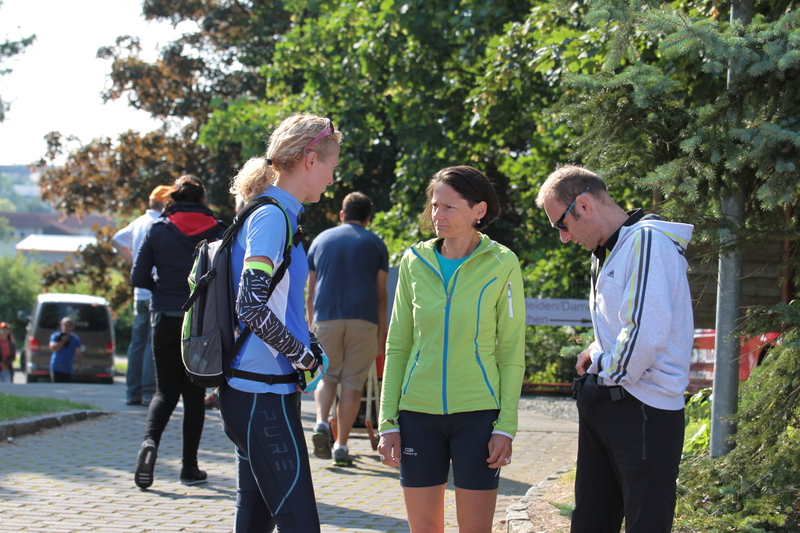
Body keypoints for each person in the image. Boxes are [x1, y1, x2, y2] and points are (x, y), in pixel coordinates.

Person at [535, 164, 694, 533]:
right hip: (613, 400)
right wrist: (596, 349)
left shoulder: (647, 242)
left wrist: (602, 365)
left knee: (646, 523)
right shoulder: (610, 248)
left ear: (583, 205)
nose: (563, 237)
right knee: (590, 520)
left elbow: (644, 337)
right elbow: (628, 323)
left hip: (643, 408)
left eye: (561, 224)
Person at [377, 166, 526, 533]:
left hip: (478, 415)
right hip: (417, 415)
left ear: (479, 210)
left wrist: (506, 427)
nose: (437, 215)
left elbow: (511, 351)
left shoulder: (502, 263)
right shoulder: (414, 262)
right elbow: (398, 345)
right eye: (434, 206)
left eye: (448, 207)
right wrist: (388, 422)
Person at [218, 114, 339, 532]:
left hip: (265, 391)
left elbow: (275, 304)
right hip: (258, 394)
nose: (332, 178)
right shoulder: (271, 217)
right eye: (331, 166)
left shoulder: (282, 213)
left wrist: (308, 346)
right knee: (301, 525)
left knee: (254, 524)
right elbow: (250, 305)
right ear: (310, 159)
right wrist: (302, 355)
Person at [131, 174, 226, 490]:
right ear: (202, 199)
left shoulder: (158, 230)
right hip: (201, 323)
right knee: (194, 395)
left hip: (164, 317)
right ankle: (189, 468)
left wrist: (163, 289)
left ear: (172, 198)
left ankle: (149, 442)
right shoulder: (218, 231)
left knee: (164, 392)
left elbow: (138, 277)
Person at [306, 191, 389, 466]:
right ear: (368, 218)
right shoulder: (376, 243)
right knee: (353, 383)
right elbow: (381, 294)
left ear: (342, 214)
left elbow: (311, 291)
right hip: (364, 319)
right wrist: (382, 332)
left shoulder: (319, 240)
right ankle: (341, 447)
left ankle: (320, 422)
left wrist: (310, 326)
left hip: (326, 317)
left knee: (327, 376)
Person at [112, 185, 172, 406]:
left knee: (136, 343)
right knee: (150, 343)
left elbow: (116, 241)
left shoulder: (138, 222)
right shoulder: (162, 224)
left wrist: (135, 264)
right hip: (155, 290)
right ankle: (148, 392)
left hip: (140, 292)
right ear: (166, 203)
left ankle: (132, 392)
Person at [48, 317, 82, 383]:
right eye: (65, 325)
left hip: (68, 368)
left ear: (72, 327)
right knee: (56, 386)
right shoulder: (55, 336)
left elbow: (78, 353)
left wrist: (79, 365)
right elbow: (53, 348)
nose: (67, 328)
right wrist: (63, 341)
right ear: (61, 326)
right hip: (56, 367)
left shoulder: (75, 339)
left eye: (69, 326)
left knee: (66, 387)